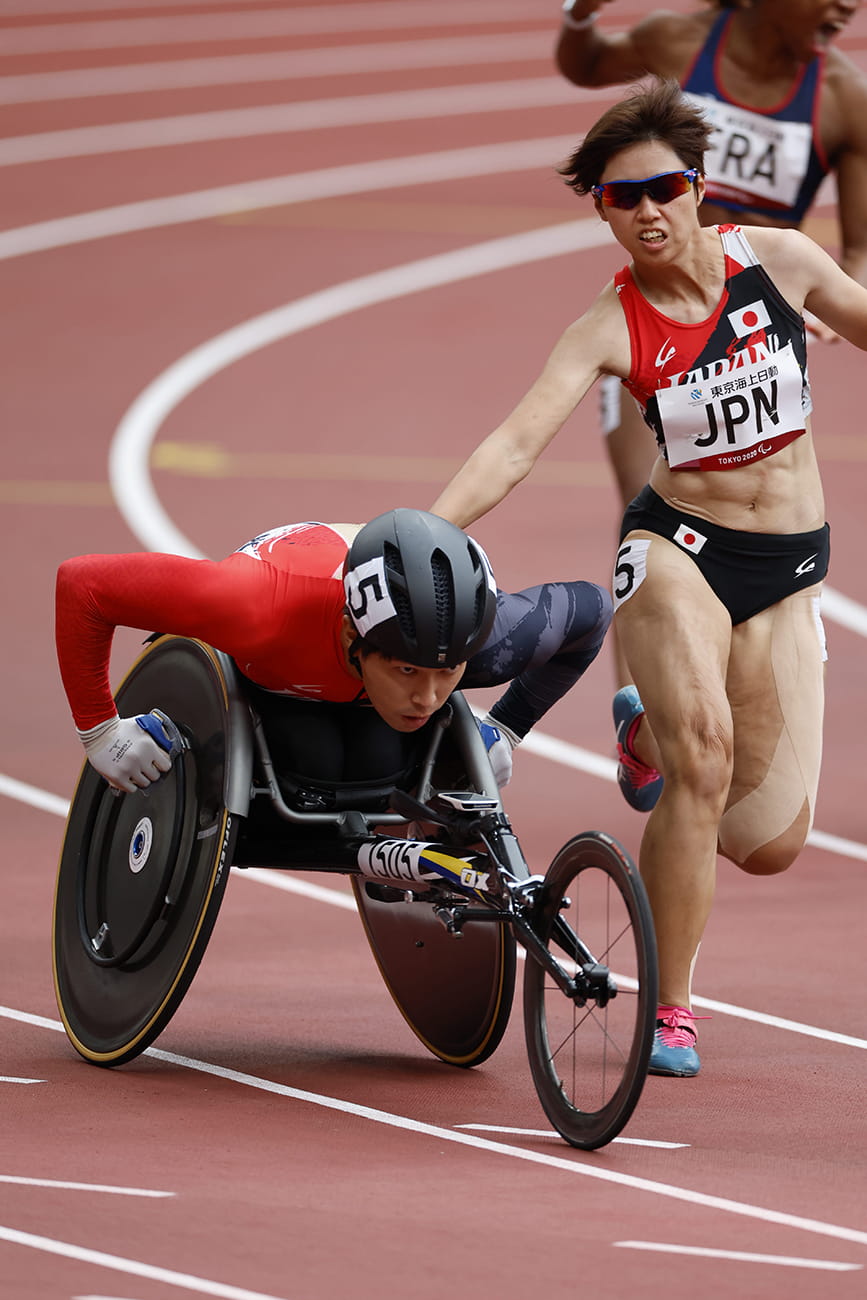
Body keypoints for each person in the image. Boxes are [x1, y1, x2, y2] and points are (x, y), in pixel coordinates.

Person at [429, 81, 867, 1075]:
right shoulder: (610, 323)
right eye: (622, 200)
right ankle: (672, 1008)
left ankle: (642, 732)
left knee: (768, 842)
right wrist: (421, 533)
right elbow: (515, 443)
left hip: (790, 567)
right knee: (703, 761)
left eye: (664, 189)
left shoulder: (781, 261)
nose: (647, 213)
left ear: (700, 187)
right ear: (604, 213)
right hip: (679, 550)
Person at [556, 0, 867, 703]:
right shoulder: (681, 39)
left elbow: (859, 247)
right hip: (659, 321)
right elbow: (586, 66)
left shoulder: (846, 100)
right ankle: (640, 718)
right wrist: (577, 16)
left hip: (760, 331)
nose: (849, 5)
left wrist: (834, 301)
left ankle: (731, 704)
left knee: (746, 521)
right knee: (651, 508)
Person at [55, 509, 612, 800]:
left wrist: (509, 727)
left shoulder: (496, 643)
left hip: (345, 677)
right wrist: (99, 730)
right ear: (353, 638)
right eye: (408, 671)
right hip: (280, 658)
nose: (427, 696)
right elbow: (83, 585)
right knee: (314, 757)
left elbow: (593, 612)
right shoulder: (255, 608)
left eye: (448, 673)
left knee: (380, 763)